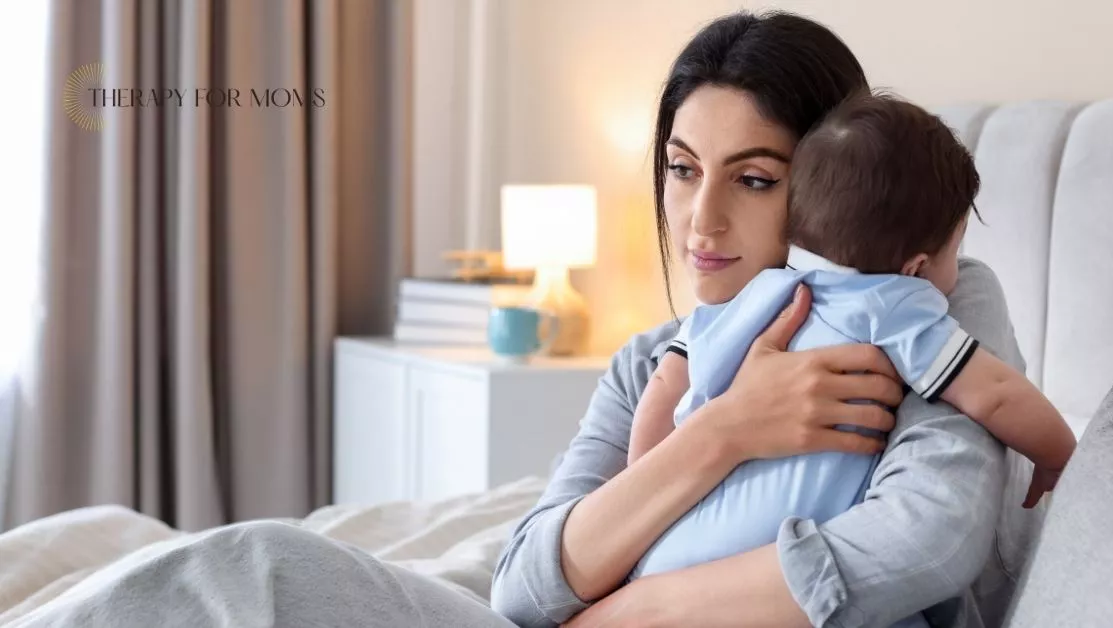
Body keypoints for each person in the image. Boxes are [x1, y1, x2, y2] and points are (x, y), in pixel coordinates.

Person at [15, 11, 1031, 628]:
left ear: (829, 187)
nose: (699, 221)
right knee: (234, 571)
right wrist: (723, 432)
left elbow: (926, 546)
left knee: (254, 575)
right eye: (680, 171)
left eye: (753, 180)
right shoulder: (652, 363)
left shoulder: (923, 302)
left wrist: (627, 610)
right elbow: (528, 579)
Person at [626, 91, 1076, 584]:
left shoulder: (753, 296)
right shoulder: (894, 306)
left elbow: (665, 390)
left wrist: (640, 499)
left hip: (666, 556)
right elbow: (997, 395)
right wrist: (1060, 455)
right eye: (955, 248)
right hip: (772, 570)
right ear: (916, 266)